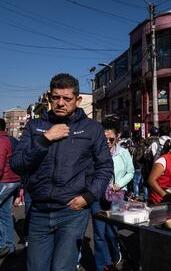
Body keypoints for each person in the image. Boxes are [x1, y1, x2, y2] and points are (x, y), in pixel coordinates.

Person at [10, 73, 113, 271]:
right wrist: (44, 139)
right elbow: (17, 164)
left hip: (72, 212)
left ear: (78, 100)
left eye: (67, 98)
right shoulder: (35, 126)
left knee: (62, 268)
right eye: (56, 97)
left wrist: (90, 196)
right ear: (49, 98)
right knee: (36, 267)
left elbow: (105, 166)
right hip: (39, 210)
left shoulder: (92, 128)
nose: (60, 103)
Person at [91, 121, 134, 271]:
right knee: (98, 232)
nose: (108, 142)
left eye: (111, 139)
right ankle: (103, 265)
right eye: (104, 139)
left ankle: (115, 253)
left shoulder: (123, 153)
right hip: (97, 196)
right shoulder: (94, 153)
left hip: (116, 196)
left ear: (117, 137)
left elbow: (131, 172)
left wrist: (119, 184)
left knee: (111, 231)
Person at [0, 118, 20, 258]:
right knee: (5, 214)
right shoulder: (11, 139)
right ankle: (9, 246)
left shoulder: (1, 140)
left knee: (4, 214)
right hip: (13, 181)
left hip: (4, 181)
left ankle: (3, 245)